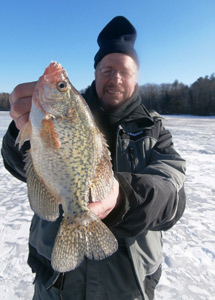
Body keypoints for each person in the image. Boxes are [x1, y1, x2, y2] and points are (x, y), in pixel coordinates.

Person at [1, 16, 186, 300]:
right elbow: (23, 163)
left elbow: (171, 196)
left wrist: (123, 197)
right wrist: (20, 130)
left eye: (124, 71)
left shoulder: (156, 131)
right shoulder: (69, 112)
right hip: (56, 287)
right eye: (107, 69)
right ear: (96, 71)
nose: (115, 79)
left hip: (128, 289)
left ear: (137, 76)